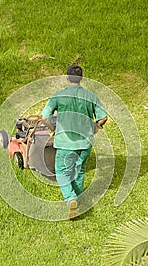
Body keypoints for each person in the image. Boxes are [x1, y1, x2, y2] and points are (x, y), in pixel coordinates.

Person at [41, 65, 107, 219]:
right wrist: (95, 129)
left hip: (65, 143)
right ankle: (77, 202)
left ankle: (71, 199)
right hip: (84, 143)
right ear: (81, 78)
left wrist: (53, 128)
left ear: (67, 77)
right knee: (79, 171)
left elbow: (44, 117)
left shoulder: (58, 96)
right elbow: (103, 117)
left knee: (62, 172)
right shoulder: (90, 96)